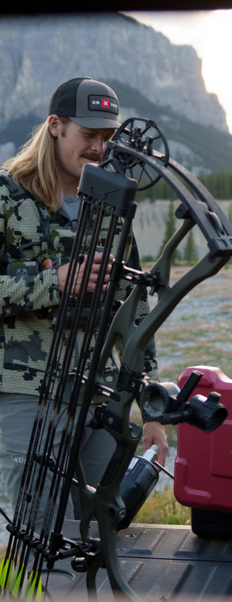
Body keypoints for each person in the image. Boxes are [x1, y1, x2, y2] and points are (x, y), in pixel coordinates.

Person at [0, 77, 168, 526]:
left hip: (98, 394)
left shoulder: (112, 202)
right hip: (26, 396)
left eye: (106, 137)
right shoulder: (6, 193)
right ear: (55, 126)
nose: (98, 147)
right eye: (87, 135)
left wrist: (149, 405)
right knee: (35, 534)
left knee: (102, 530)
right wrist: (58, 281)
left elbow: (133, 306)